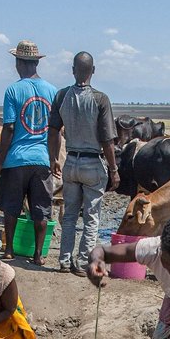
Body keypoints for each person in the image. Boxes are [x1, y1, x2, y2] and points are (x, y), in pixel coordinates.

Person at [48, 52, 119, 277]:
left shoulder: (61, 96)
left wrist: (53, 158)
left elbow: (53, 130)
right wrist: (114, 169)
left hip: (70, 161)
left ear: (73, 70)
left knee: (69, 214)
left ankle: (64, 260)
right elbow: (107, 140)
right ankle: (82, 263)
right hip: (92, 162)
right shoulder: (100, 99)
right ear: (93, 71)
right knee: (91, 217)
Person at [0, 40, 57, 265]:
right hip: (42, 159)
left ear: (19, 63)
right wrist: (53, 158)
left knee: (12, 207)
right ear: (36, 63)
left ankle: (9, 250)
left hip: (17, 159)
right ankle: (38, 254)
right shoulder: (52, 91)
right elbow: (55, 130)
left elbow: (9, 127)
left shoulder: (12, 90)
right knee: (41, 209)